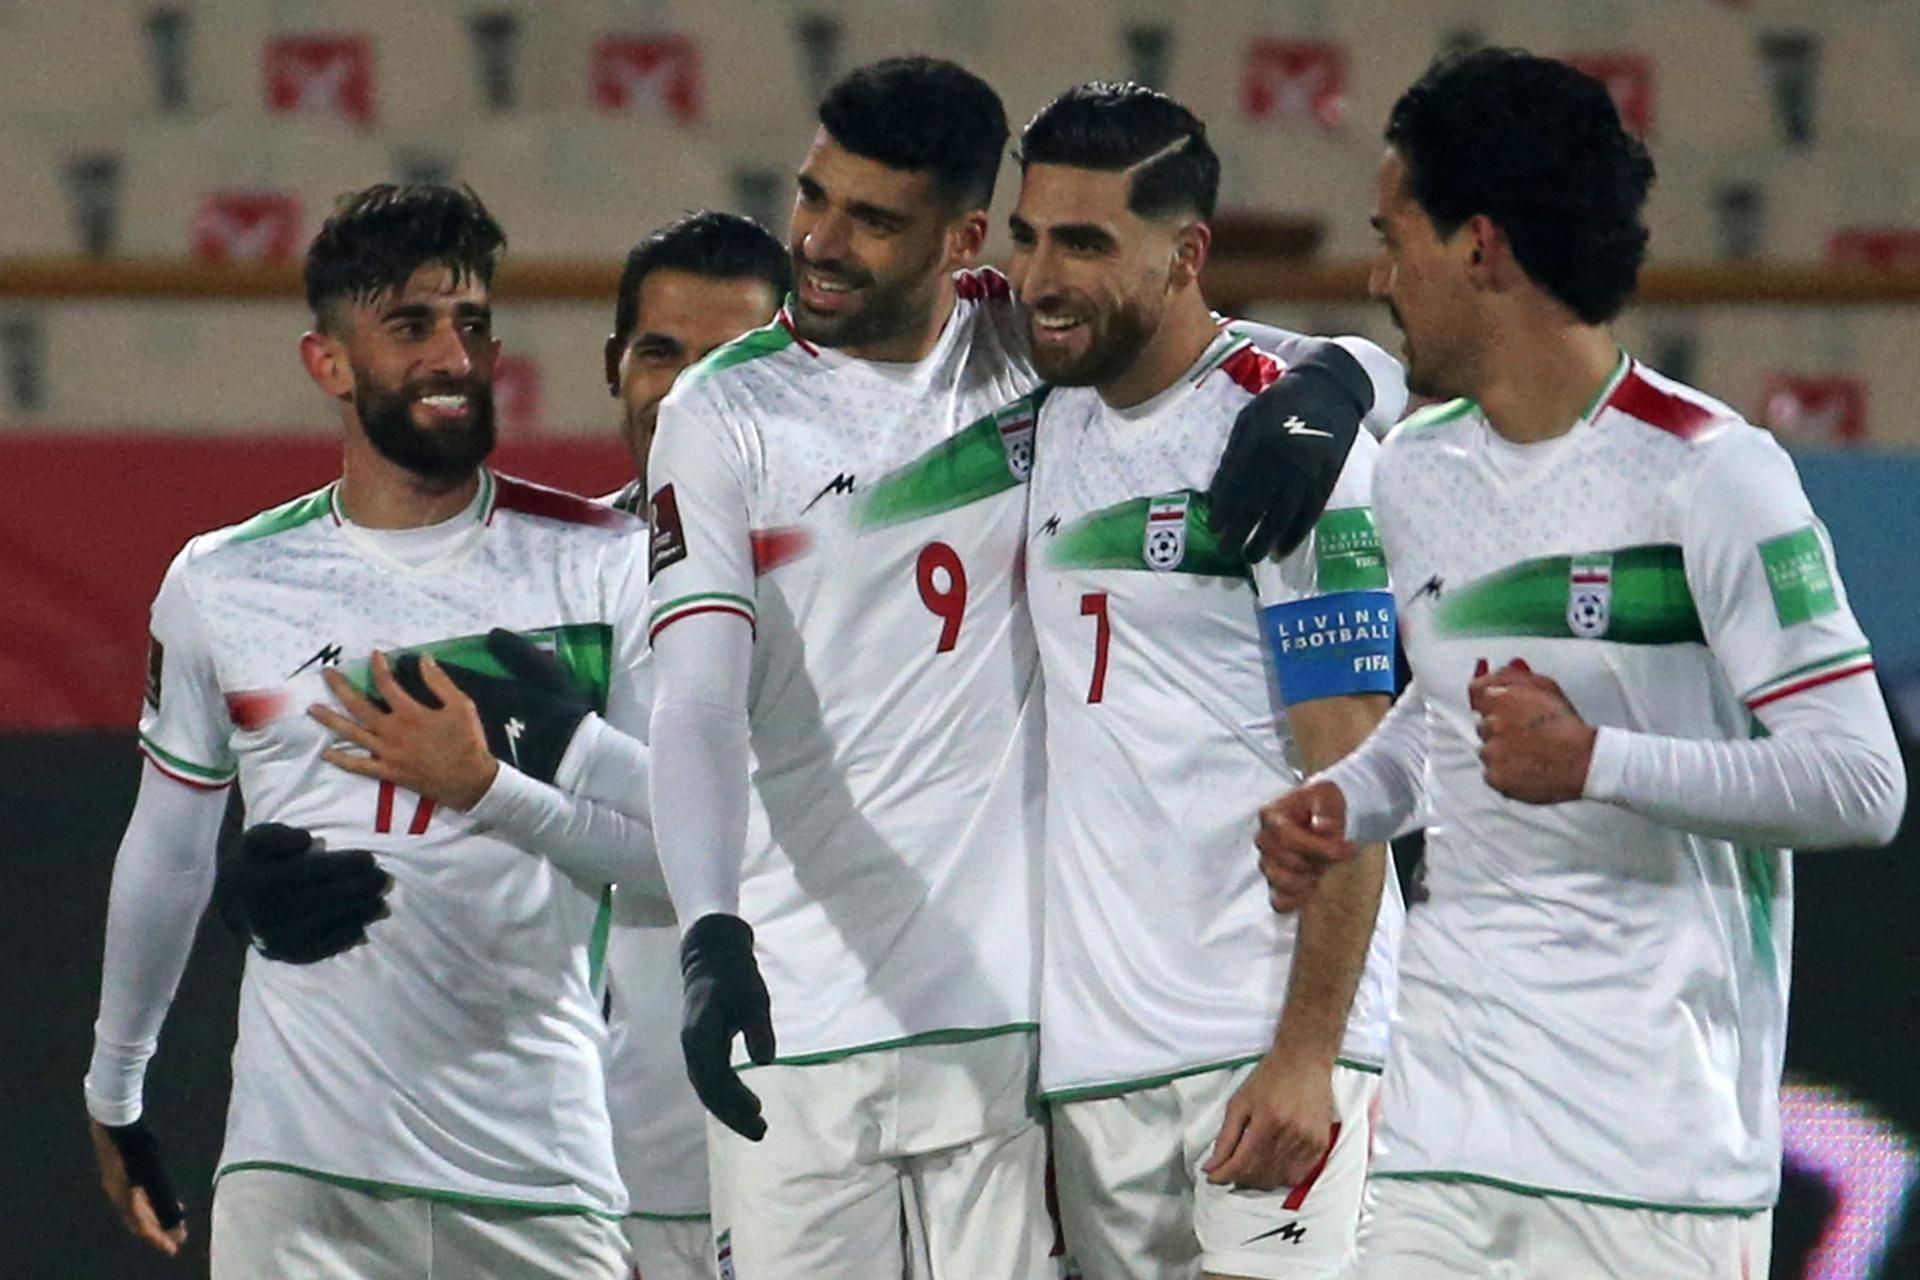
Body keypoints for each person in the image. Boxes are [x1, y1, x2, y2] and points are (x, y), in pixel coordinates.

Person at [643, 54, 1372, 1278]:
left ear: (958, 236)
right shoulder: (721, 413)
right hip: (803, 1007)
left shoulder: (1031, 337)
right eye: (813, 197)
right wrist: (711, 930)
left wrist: (1345, 378)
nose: (819, 240)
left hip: (1010, 1028)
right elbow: (700, 698)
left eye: (873, 220)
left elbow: (1232, 351)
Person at [1254, 49, 1906, 1279]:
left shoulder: (1714, 476)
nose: (1379, 281)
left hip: (1654, 1165)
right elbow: (1451, 725)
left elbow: (1862, 784)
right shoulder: (1415, 469)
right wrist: (1351, 798)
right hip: (1446, 1138)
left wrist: (1595, 759)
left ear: (1483, 248)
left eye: (1398, 239)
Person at [84, 183, 654, 1279]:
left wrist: (495, 784)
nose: (453, 353)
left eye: (472, 323)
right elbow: (165, 848)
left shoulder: (602, 559)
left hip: (540, 1159)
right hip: (300, 1169)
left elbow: (694, 851)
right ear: (328, 363)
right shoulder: (224, 579)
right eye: (412, 324)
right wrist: (118, 1089)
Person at [1009, 82, 1405, 1280]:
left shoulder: (1284, 451)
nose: (1041, 277)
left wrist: (1308, 1052)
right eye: (1027, 236)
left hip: (1260, 1041)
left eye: (1085, 244)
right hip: (1096, 1062)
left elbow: (1356, 766)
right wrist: (1355, 366)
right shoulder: (1041, 419)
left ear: (1186, 255)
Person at [598, 211, 787, 1279]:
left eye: (727, 360)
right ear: (611, 365)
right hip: (613, 1171)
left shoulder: (864, 568)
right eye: (659, 352)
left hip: (823, 1141)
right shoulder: (554, 578)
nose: (684, 393)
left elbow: (773, 829)